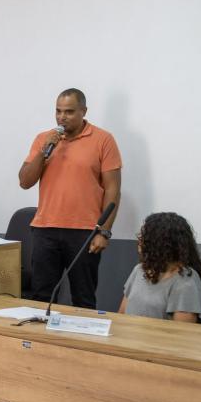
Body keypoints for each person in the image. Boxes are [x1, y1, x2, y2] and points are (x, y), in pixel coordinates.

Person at [18, 88, 122, 309]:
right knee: (41, 297)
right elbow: (25, 181)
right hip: (45, 229)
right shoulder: (44, 139)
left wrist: (104, 231)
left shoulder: (103, 139)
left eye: (69, 112)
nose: (61, 117)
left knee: (83, 299)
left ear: (84, 111)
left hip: (85, 232)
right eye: (58, 111)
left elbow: (113, 189)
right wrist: (44, 151)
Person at [119, 212, 201, 322]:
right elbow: (121, 315)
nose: (139, 240)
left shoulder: (185, 281)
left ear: (161, 243)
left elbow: (183, 330)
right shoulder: (139, 270)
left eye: (145, 236)